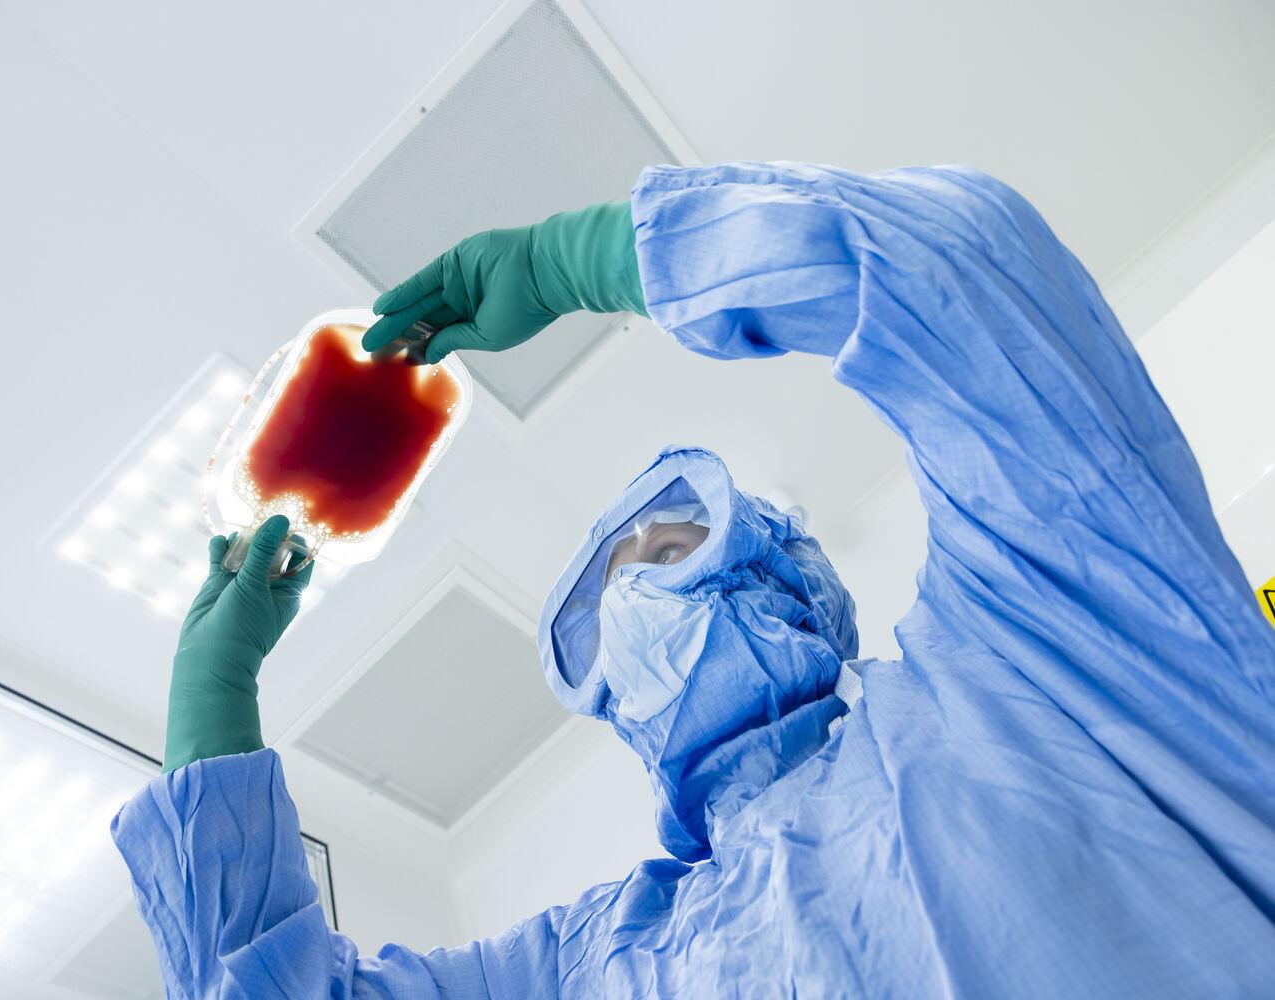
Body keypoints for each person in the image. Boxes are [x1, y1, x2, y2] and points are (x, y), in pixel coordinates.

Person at [112, 163, 1275, 998]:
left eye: (672, 548)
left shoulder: (1032, 661)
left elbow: (963, 272)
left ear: (794, 586)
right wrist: (214, 692)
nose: (635, 594)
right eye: (597, 612)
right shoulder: (600, 962)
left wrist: (575, 261)